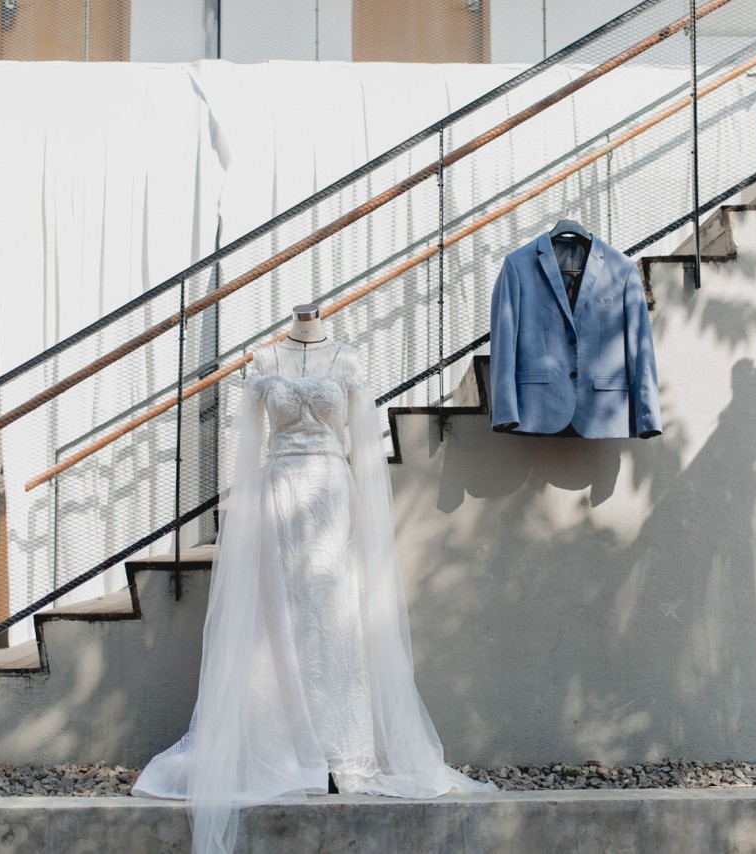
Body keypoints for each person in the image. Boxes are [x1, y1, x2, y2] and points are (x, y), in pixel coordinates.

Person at [132, 304, 492, 854]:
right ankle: (286, 746)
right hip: (279, 496)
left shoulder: (347, 359)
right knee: (280, 618)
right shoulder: (264, 361)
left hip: (331, 496)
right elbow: (246, 451)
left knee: (336, 618)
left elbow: (364, 449)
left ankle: (343, 750)